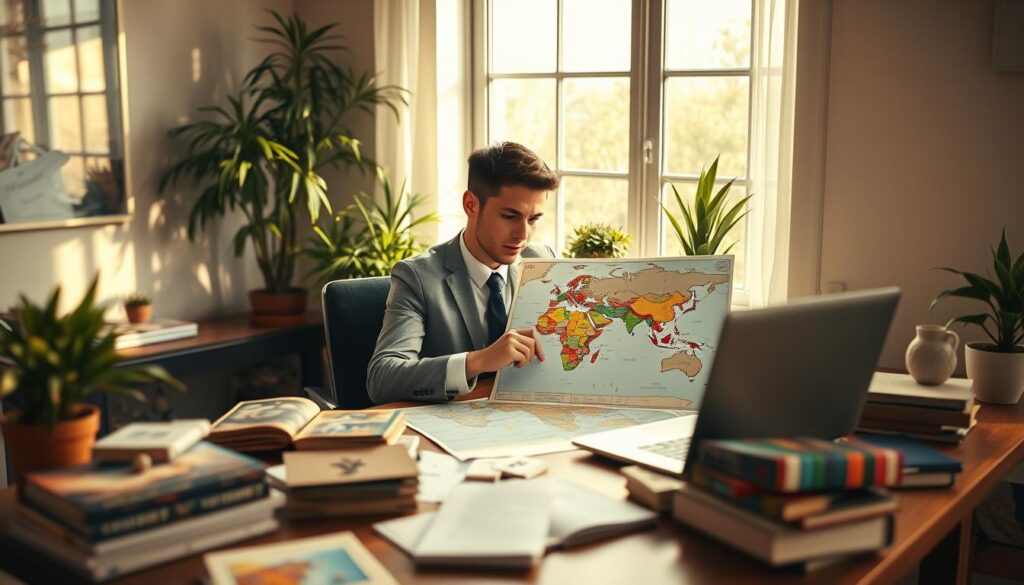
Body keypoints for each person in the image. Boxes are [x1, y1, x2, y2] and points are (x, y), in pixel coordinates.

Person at [367, 142, 560, 404]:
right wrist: (478, 361)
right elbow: (382, 378)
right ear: (471, 205)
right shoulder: (417, 277)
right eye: (509, 216)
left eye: (533, 219)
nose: (523, 235)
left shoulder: (543, 261)